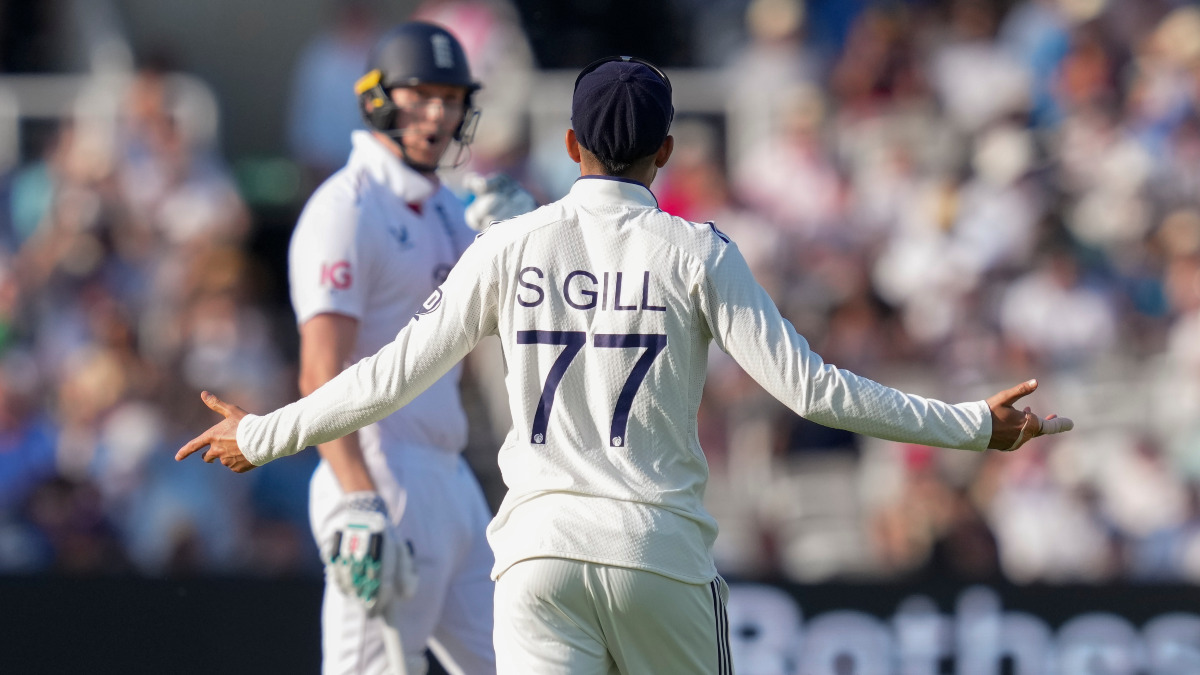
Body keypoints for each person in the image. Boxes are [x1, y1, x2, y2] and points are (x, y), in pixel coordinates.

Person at [178, 56, 1073, 674]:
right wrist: (972, 425)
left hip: (536, 557)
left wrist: (261, 435)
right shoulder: (699, 250)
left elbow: (387, 375)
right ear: (667, 153)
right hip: (658, 555)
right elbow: (815, 391)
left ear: (571, 145)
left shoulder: (508, 246)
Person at [279, 21, 532, 675]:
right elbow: (319, 372)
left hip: (450, 476)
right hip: (379, 472)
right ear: (378, 98)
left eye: (450, 99)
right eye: (421, 96)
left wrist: (527, 234)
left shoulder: (447, 208)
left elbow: (522, 321)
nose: (438, 115)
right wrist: (359, 499)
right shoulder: (346, 208)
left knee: (522, 663)